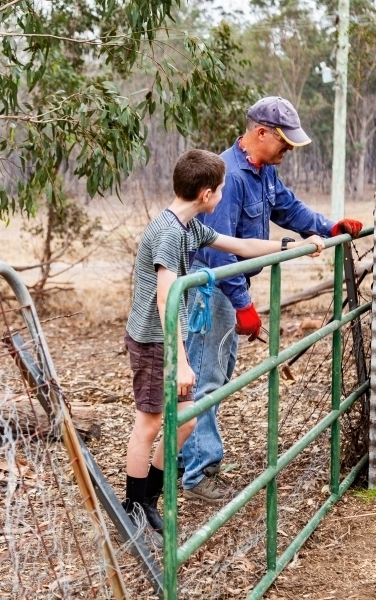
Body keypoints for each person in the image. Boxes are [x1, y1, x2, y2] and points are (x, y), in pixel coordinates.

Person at [123, 148, 324, 534]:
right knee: (148, 424)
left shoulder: (190, 226)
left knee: (186, 418)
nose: (222, 195)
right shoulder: (168, 234)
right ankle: (135, 503)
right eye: (220, 190)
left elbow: (240, 246)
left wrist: (292, 246)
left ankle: (149, 496)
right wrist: (180, 361)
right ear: (206, 195)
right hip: (154, 339)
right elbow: (166, 298)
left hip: (168, 338)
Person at [179, 96, 363, 504]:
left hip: (227, 289)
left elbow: (289, 209)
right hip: (210, 289)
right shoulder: (227, 178)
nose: (288, 151)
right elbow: (216, 252)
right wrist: (241, 302)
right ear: (260, 133)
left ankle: (183, 456)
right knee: (207, 380)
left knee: (216, 375)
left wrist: (328, 226)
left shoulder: (262, 173)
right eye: (284, 142)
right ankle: (198, 473)